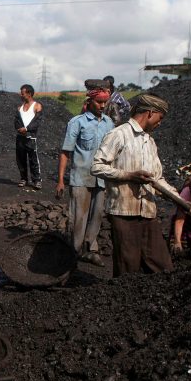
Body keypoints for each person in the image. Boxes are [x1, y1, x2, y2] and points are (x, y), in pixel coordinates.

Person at [91, 94, 191, 277]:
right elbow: (97, 167)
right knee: (128, 266)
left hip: (147, 211)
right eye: (160, 118)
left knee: (161, 264)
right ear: (150, 113)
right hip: (123, 212)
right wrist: (128, 175)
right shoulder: (119, 134)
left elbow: (157, 179)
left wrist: (181, 201)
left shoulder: (150, 142)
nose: (160, 123)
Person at [56, 86, 114, 266]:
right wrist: (60, 180)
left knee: (97, 215)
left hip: (102, 178)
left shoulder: (109, 123)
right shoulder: (77, 122)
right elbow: (66, 152)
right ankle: (74, 252)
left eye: (105, 102)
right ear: (89, 102)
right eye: (99, 102)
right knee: (78, 217)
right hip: (81, 177)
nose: (103, 105)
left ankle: (90, 250)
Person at [14, 84, 44, 189]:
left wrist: (26, 129)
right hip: (20, 138)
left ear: (29, 94)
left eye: (22, 93)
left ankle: (37, 180)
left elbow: (37, 122)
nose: (20, 95)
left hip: (31, 138)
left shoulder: (37, 106)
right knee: (20, 159)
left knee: (33, 159)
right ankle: (24, 179)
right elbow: (16, 122)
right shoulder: (19, 108)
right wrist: (20, 129)